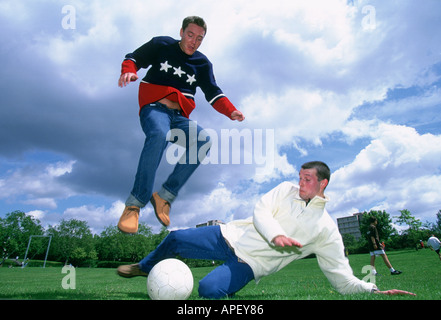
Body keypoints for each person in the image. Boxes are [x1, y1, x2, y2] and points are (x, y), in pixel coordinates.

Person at [117, 161, 415, 299]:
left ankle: (228, 287)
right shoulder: (286, 190)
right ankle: (144, 267)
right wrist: (275, 234)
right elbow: (260, 210)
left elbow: (341, 277)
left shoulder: (325, 231)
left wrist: (374, 289)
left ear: (323, 184)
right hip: (230, 235)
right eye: (300, 177)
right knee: (176, 238)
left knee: (209, 289)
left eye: (307, 180)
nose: (300, 183)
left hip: (251, 262)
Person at [117, 16, 245, 233]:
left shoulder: (202, 63)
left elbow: (213, 92)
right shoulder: (161, 45)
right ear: (181, 32)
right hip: (155, 109)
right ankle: (134, 205)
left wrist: (230, 110)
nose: (193, 42)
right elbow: (135, 57)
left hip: (179, 118)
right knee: (159, 134)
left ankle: (164, 197)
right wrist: (128, 70)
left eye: (199, 39)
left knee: (203, 141)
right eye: (190, 35)